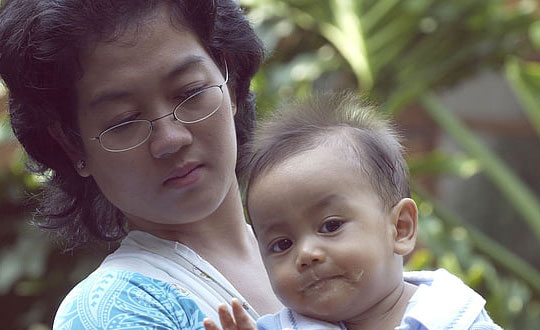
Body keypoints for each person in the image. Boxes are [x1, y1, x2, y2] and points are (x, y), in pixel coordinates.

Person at [0, 0, 283, 328]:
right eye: (124, 121)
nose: (170, 139)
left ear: (229, 83)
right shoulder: (110, 311)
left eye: (190, 91)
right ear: (70, 143)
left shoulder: (327, 246)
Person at [203, 93, 502, 330]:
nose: (306, 254)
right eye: (282, 244)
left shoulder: (456, 318)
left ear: (400, 228)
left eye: (330, 226)